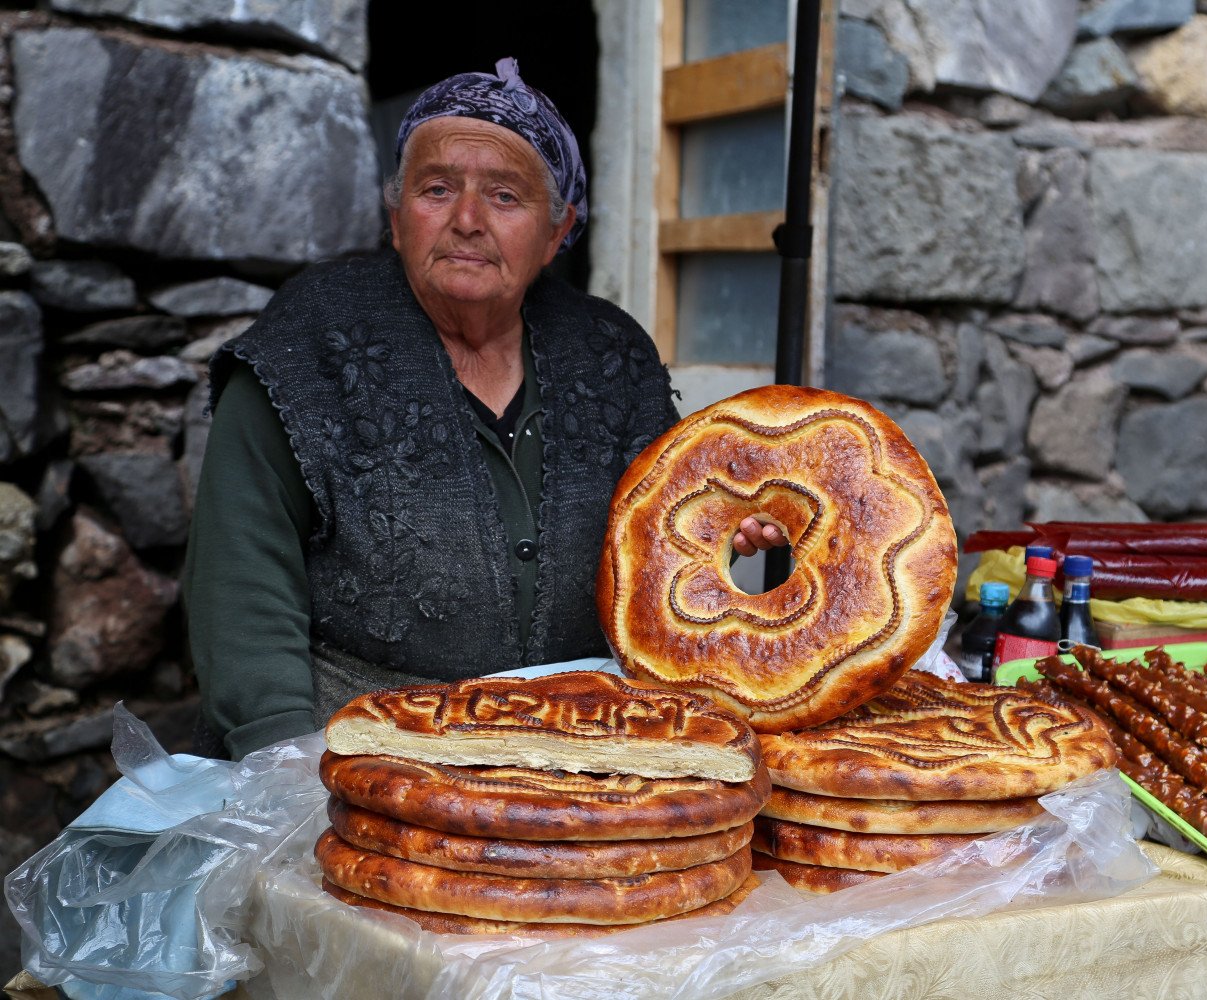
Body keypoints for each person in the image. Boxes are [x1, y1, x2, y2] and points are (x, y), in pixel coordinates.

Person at [182, 60, 785, 759]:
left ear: (558, 232)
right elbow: (242, 588)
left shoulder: (611, 353)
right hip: (353, 753)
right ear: (397, 216)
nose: (466, 221)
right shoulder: (306, 346)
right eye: (436, 189)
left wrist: (721, 530)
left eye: (505, 196)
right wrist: (284, 768)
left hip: (580, 752)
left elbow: (664, 543)